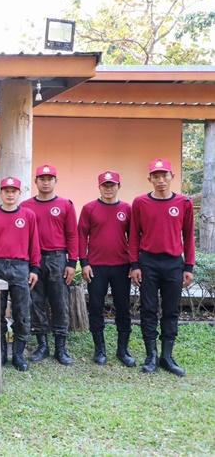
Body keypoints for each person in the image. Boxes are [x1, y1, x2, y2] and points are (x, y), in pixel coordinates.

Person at [129, 159, 195, 376]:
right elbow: (134, 236)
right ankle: (151, 356)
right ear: (149, 179)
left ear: (172, 177)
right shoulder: (140, 202)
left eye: (164, 175)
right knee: (148, 309)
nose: (160, 180)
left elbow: (189, 236)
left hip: (173, 263)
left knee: (171, 309)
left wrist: (189, 266)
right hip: (148, 262)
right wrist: (135, 264)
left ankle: (167, 356)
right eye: (156, 176)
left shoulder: (184, 203)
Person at [0, 177, 40, 371]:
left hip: (20, 267)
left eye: (14, 191)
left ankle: (18, 355)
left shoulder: (28, 215)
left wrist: (35, 268)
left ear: (20, 193)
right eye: (6, 191)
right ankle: (0, 354)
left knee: (22, 312)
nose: (10, 194)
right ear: (0, 193)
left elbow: (34, 243)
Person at [20, 164, 78, 366]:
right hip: (33, 261)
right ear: (35, 181)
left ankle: (61, 347)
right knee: (36, 302)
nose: (45, 182)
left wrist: (72, 262)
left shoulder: (65, 205)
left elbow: (72, 235)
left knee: (60, 302)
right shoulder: (26, 206)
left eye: (49, 179)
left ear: (55, 181)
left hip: (57, 259)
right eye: (42, 179)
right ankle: (42, 345)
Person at [78, 171, 136, 367]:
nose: (108, 189)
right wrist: (84, 262)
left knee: (123, 308)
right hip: (96, 267)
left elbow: (134, 238)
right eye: (105, 185)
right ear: (99, 187)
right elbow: (81, 236)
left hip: (121, 266)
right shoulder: (89, 208)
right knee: (95, 307)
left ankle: (123, 350)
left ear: (118, 186)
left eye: (112, 185)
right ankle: (100, 349)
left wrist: (134, 263)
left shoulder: (127, 209)